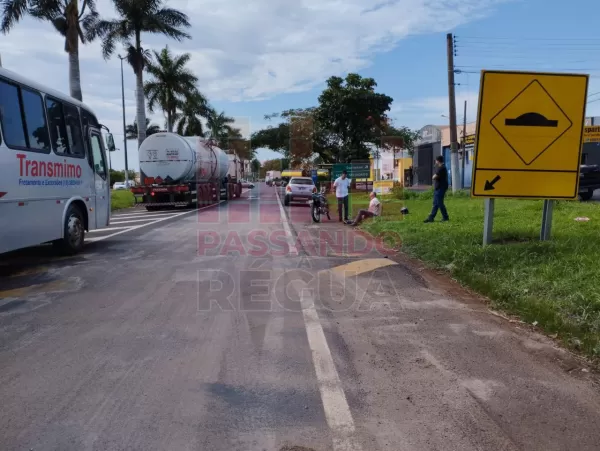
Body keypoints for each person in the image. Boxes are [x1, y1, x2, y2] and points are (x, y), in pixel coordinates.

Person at [424, 155, 449, 223]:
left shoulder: (441, 168)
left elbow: (434, 177)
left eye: (436, 160)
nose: (435, 162)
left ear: (437, 161)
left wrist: (434, 173)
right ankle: (431, 217)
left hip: (441, 188)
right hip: (438, 188)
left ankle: (445, 217)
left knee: (440, 203)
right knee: (435, 203)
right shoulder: (440, 167)